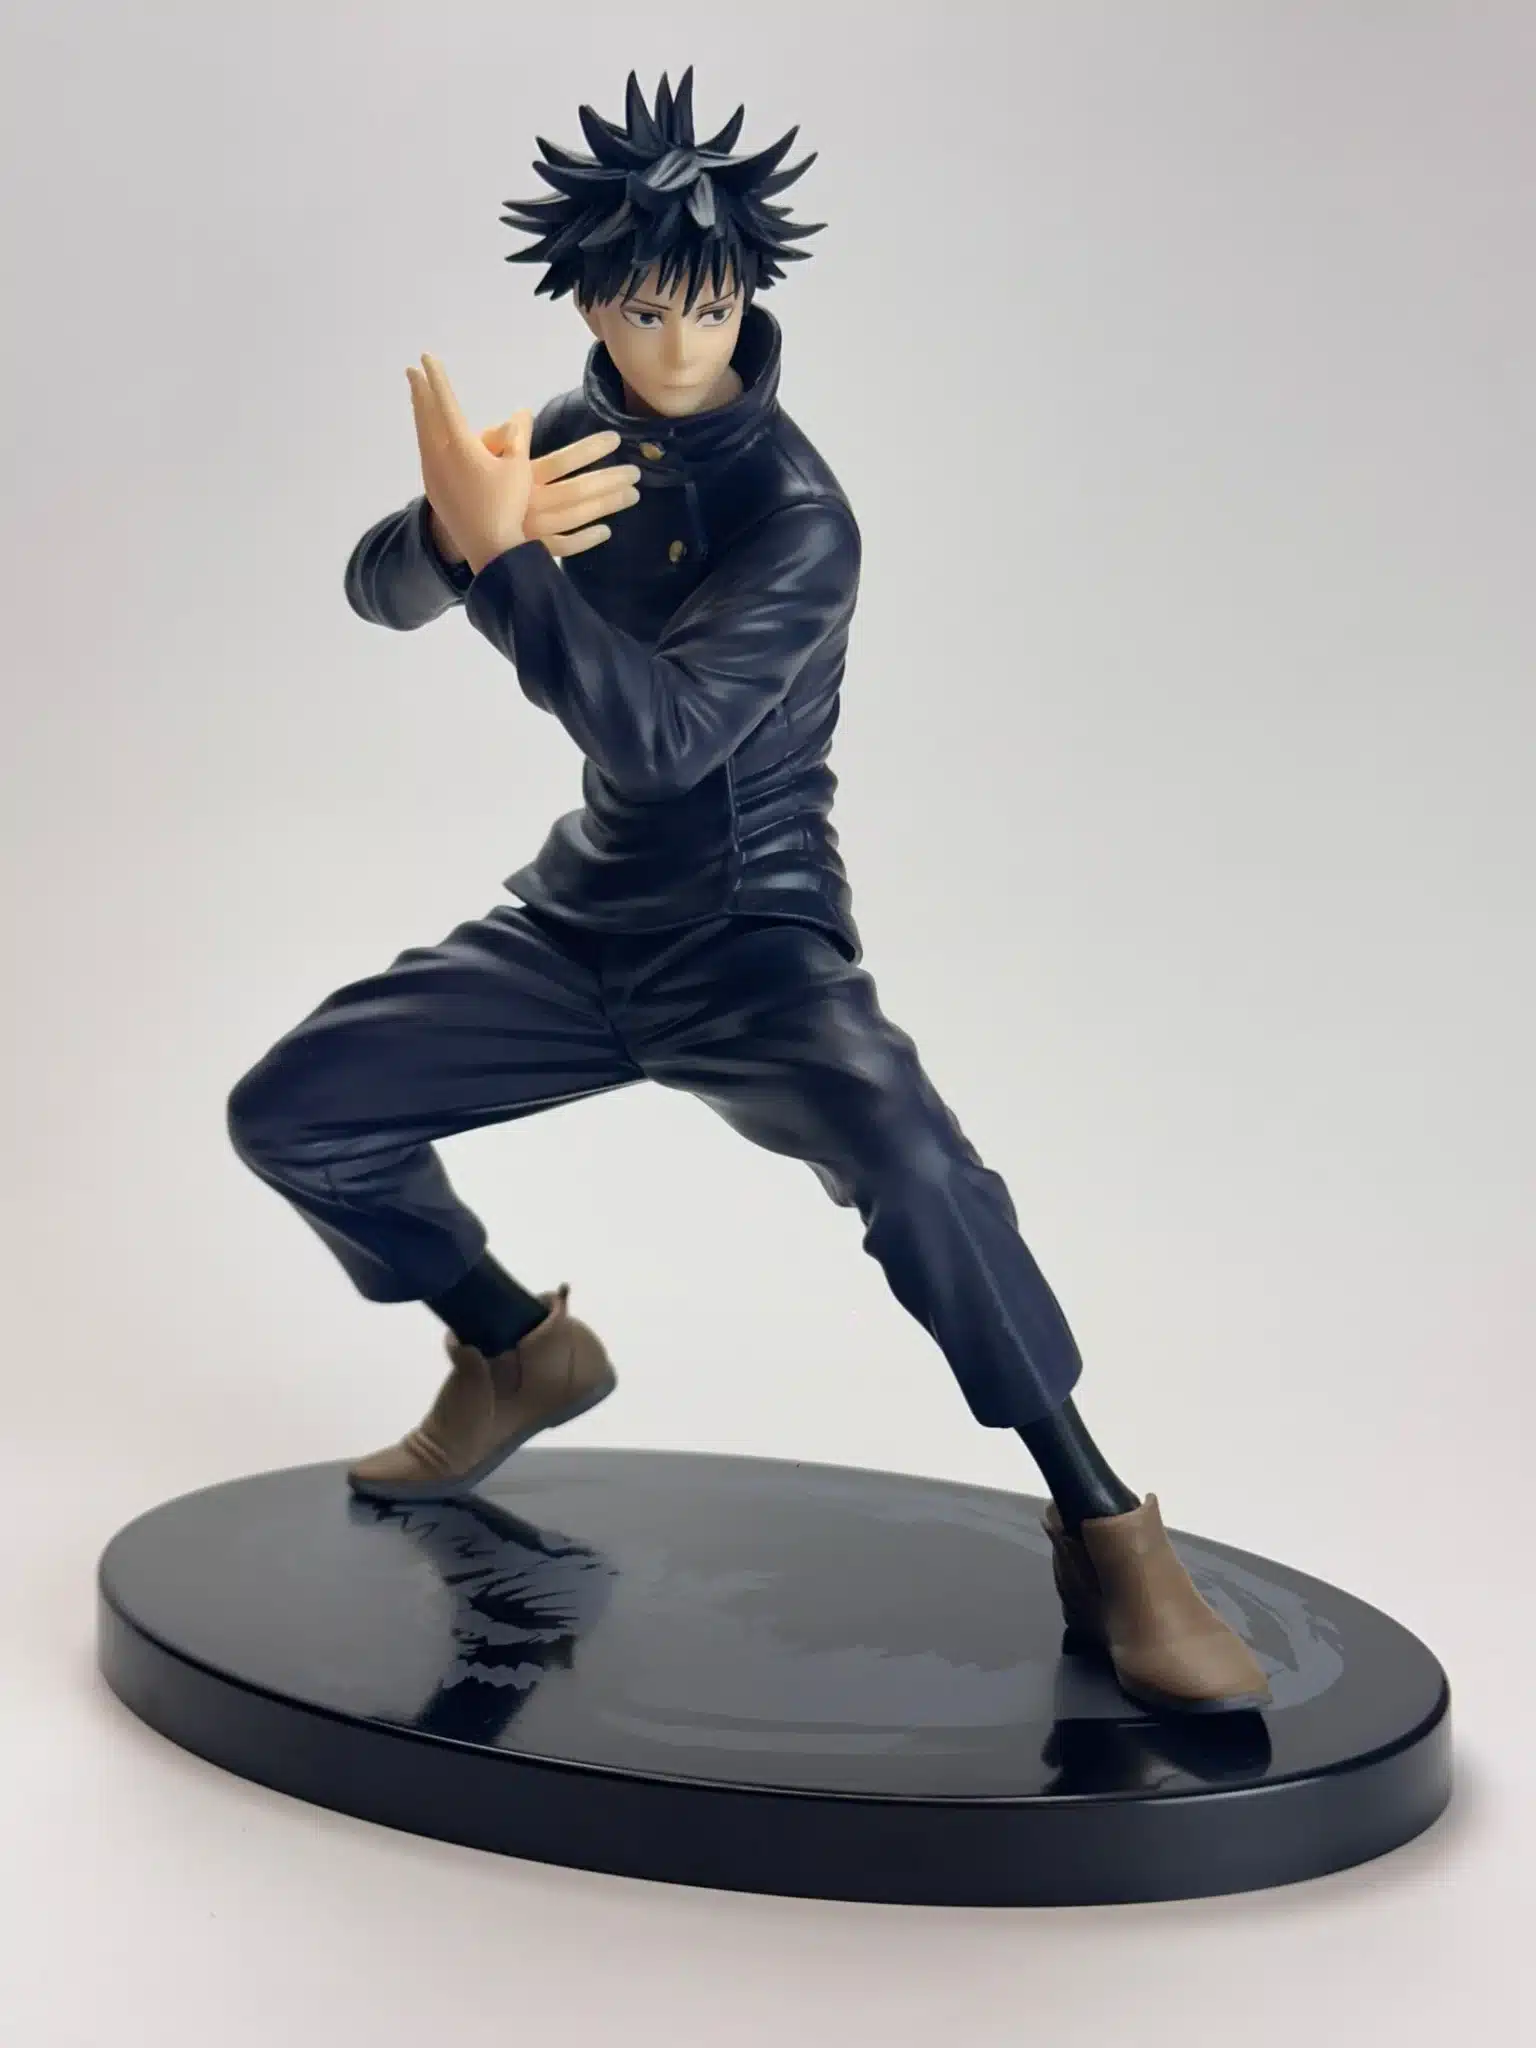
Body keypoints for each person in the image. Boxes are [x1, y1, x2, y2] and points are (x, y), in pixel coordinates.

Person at [227, 69, 1268, 1715]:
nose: (681, 345)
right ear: (592, 305)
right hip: (581, 926)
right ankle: (513, 1345)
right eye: (648, 311)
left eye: (709, 308)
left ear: (750, 298)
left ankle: (1107, 1526)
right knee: (295, 1111)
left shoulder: (799, 515)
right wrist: (451, 528)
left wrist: (509, 561)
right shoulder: (566, 439)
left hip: (752, 939)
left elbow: (665, 743)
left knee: (921, 1176)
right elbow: (377, 592)